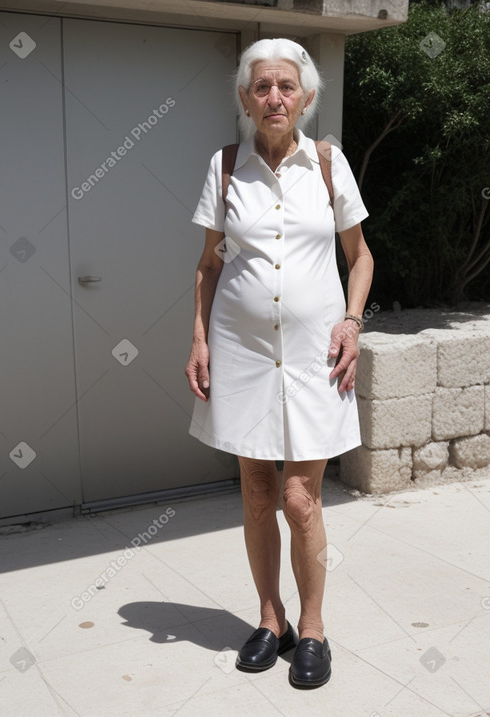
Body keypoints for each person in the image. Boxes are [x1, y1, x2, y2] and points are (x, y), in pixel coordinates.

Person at [185, 37, 373, 689]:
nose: (273, 97)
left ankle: (313, 626)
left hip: (315, 357)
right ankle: (272, 619)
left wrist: (352, 321)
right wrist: (200, 338)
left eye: (285, 87)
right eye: (261, 86)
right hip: (241, 352)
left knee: (300, 497)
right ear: (244, 96)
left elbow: (362, 256)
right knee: (258, 490)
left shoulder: (328, 164)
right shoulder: (226, 165)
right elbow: (209, 264)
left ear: (307, 97)